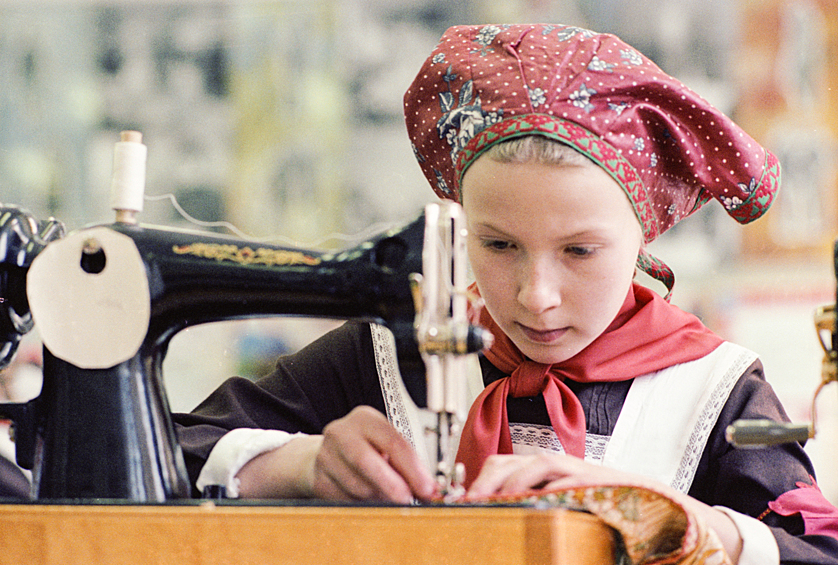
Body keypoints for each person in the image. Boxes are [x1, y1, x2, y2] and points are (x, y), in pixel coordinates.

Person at [173, 24, 838, 564]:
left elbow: (813, 549)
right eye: (496, 245)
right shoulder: (386, 358)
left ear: (644, 235)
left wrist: (668, 513)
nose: (535, 296)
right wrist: (300, 464)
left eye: (579, 250)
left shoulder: (714, 391)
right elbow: (146, 458)